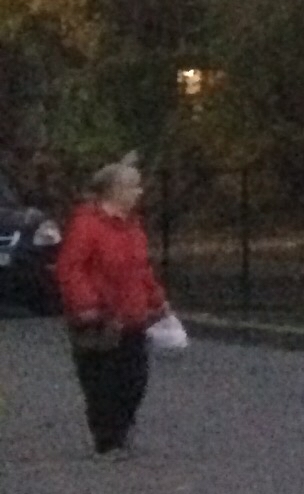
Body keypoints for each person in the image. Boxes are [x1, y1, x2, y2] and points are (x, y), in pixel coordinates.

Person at [56, 159, 168, 460]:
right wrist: (87, 305)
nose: (140, 192)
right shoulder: (87, 225)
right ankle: (107, 441)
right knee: (102, 382)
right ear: (114, 190)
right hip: (99, 319)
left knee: (135, 378)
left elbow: (140, 268)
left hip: (131, 316)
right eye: (134, 186)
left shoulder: (132, 227)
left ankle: (121, 427)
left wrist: (157, 300)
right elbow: (70, 268)